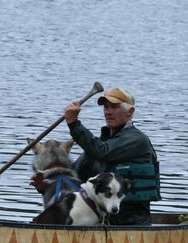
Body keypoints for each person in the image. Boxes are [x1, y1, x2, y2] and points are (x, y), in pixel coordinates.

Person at [63, 86, 160, 225]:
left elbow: (101, 151)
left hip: (131, 224)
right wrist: (47, 183)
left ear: (130, 112)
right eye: (106, 107)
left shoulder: (137, 140)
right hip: (98, 220)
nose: (108, 112)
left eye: (114, 107)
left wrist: (73, 124)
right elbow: (73, 175)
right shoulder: (101, 144)